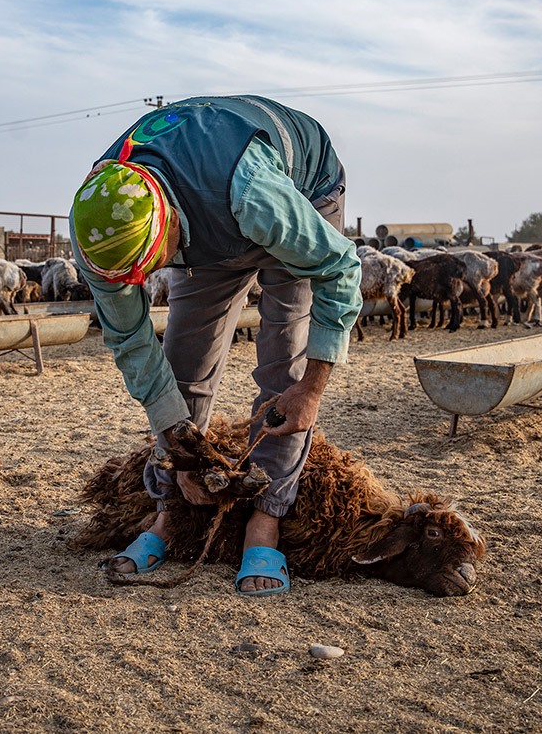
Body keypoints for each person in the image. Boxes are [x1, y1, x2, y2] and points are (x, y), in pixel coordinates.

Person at [70, 95, 362, 596]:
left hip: (298, 191)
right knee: (183, 368)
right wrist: (184, 452)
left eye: (152, 267)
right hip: (208, 225)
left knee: (284, 366)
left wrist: (312, 389)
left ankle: (265, 520)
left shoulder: (254, 194)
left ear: (168, 223)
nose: (143, 281)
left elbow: (340, 269)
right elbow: (134, 345)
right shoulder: (98, 231)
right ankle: (169, 511)